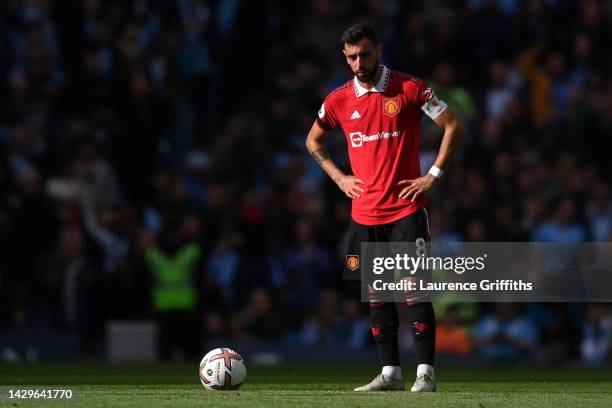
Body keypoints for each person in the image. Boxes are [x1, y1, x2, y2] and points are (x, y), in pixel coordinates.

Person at [306, 23, 464, 392]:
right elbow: (313, 140)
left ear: (378, 50)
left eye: (363, 54)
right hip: (364, 213)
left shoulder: (410, 88)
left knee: (414, 289)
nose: (358, 63)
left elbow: (452, 124)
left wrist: (433, 175)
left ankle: (426, 373)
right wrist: (339, 178)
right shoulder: (338, 100)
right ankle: (390, 373)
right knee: (377, 293)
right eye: (350, 57)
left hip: (405, 209)